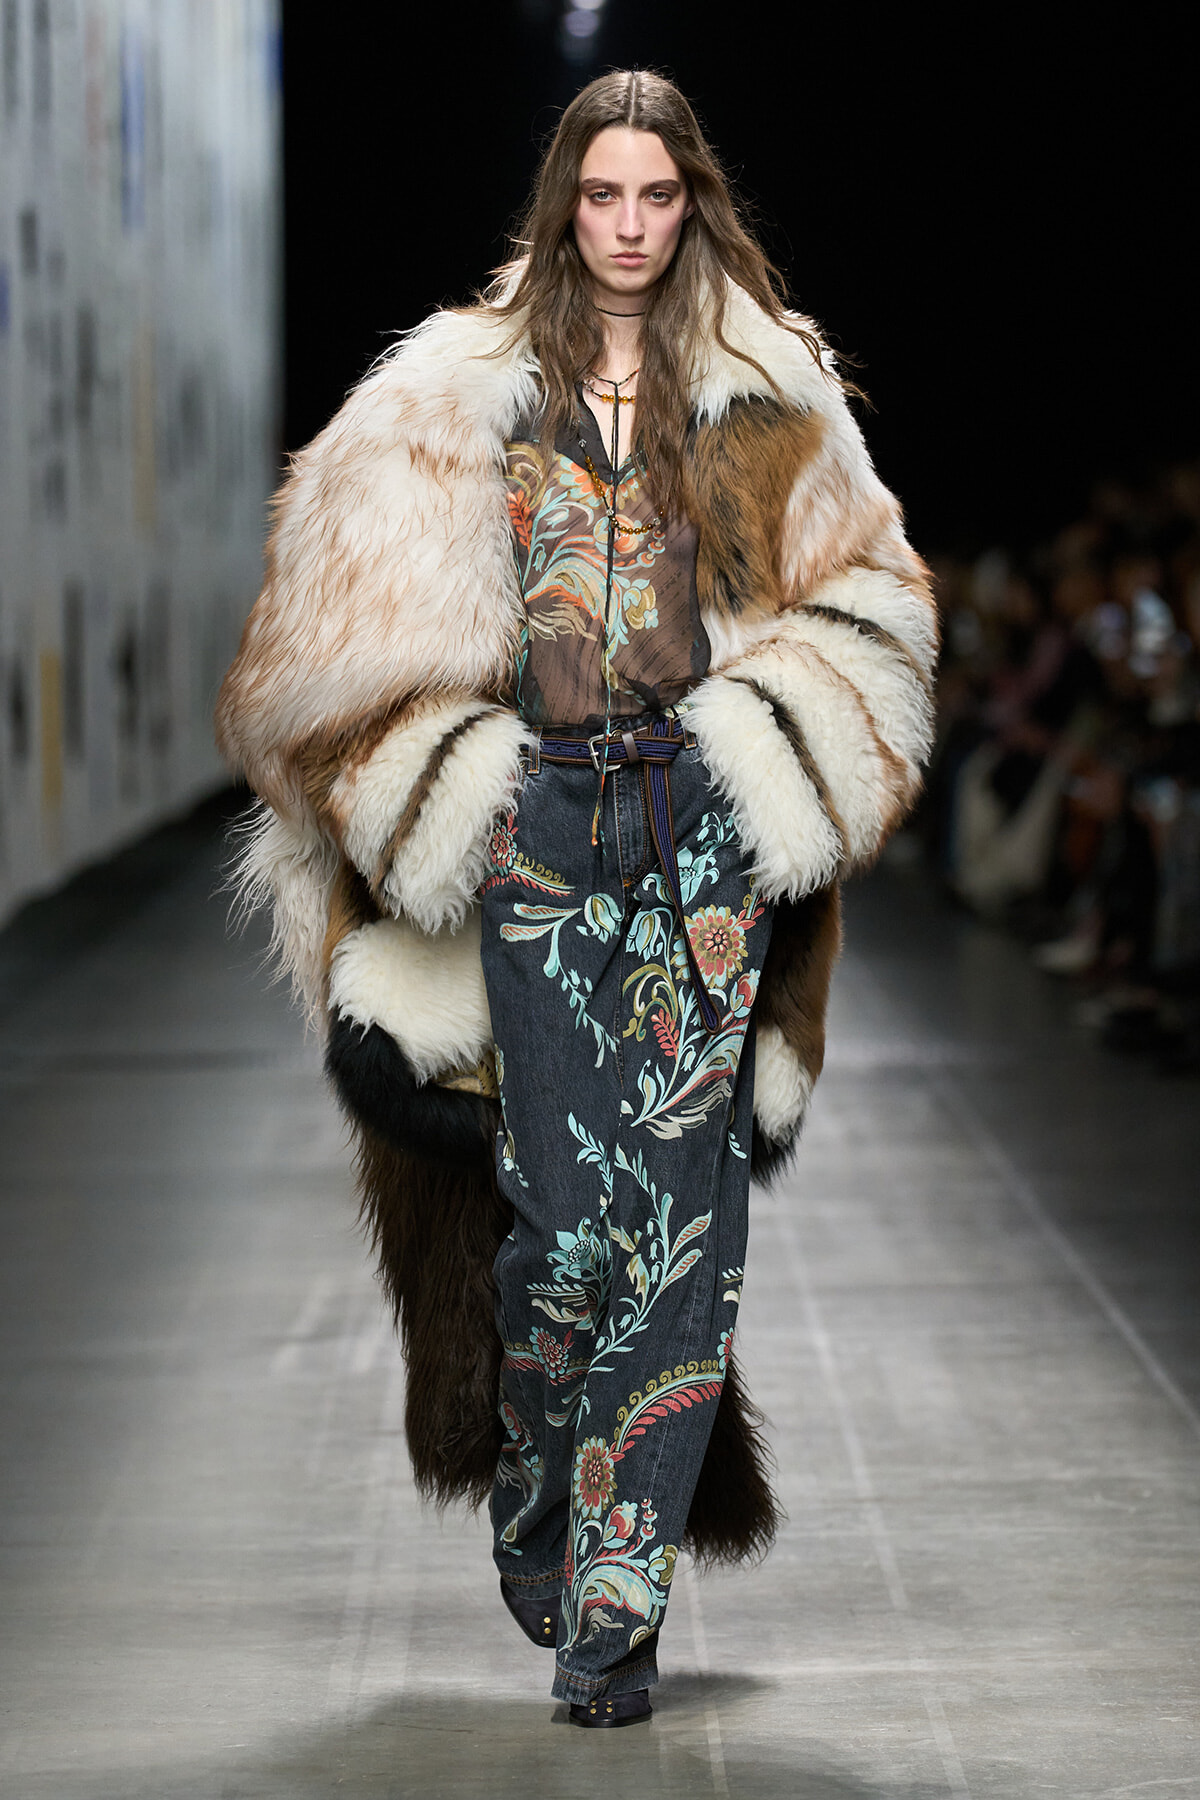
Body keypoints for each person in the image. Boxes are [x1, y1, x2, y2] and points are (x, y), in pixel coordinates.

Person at [216, 70, 937, 1727]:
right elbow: (318, 661)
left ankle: (619, 1605)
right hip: (534, 844)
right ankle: (543, 1511)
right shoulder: (453, 397)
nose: (626, 229)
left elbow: (874, 609)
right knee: (552, 1227)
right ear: (563, 204)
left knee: (680, 1235)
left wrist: (766, 759)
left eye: (655, 199)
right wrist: (456, 786)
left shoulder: (768, 393)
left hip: (698, 840)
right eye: (601, 198)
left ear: (691, 204)